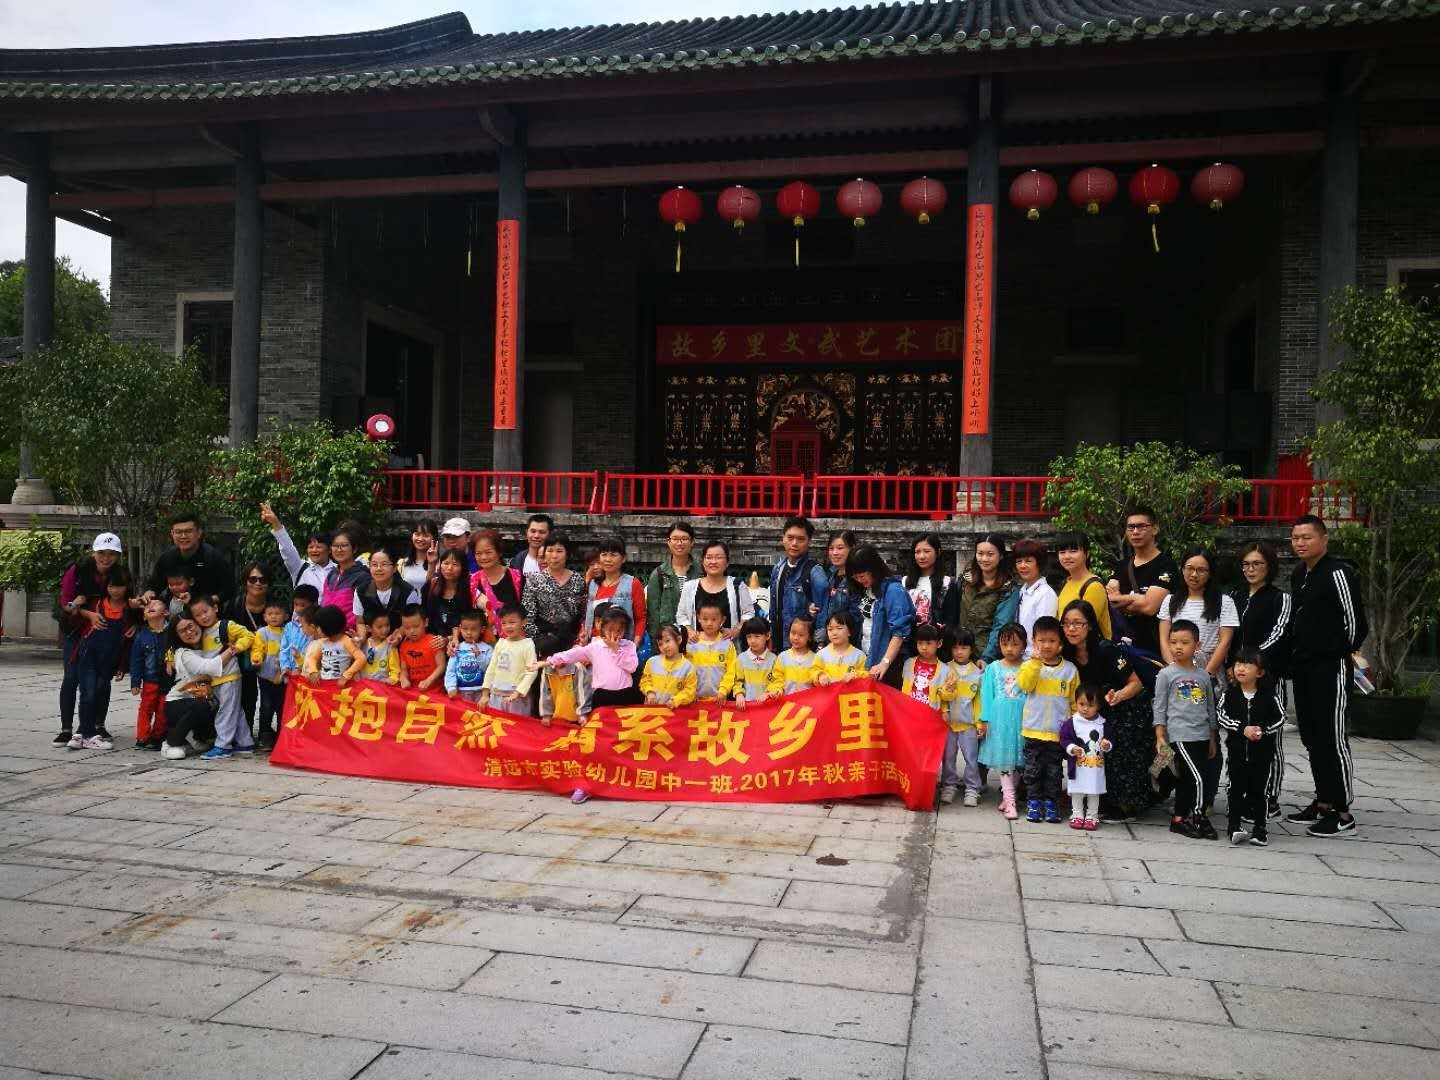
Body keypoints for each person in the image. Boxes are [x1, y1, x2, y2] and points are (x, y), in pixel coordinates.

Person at [1284, 514, 1367, 837]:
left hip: (1331, 667)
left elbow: (1355, 624)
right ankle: (1323, 801)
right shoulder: (1299, 574)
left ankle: (1343, 812)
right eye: (1295, 538)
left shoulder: (1338, 573)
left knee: (1332, 737)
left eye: (1307, 537)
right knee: (1312, 736)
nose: (1300, 543)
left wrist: (1337, 652)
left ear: (1324, 539)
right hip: (1303, 667)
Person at [1060, 600, 1151, 823]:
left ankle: (1127, 805)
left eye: (1078, 623)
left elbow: (1135, 683)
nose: (1071, 629)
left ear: (1090, 625)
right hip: (1093, 711)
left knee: (1118, 749)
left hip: (1125, 709)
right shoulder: (1067, 654)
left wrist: (1118, 695)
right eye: (1066, 623)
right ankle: (1098, 796)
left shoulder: (1107, 649)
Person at [1234, 539, 1291, 819]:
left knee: (1268, 737)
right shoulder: (1235, 597)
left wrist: (1251, 662)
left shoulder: (1280, 598)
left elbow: (1278, 634)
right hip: (1237, 680)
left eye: (1257, 563)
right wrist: (1234, 666)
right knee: (1240, 736)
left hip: (1267, 679)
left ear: (1269, 566)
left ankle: (1269, 797)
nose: (1251, 569)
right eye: (1246, 564)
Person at [54, 532, 125, 745]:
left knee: (103, 679)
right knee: (71, 677)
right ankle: (66, 729)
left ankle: (98, 725)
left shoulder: (120, 574)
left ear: (118, 556)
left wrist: (131, 625)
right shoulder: (77, 570)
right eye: (102, 553)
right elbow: (65, 604)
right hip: (75, 630)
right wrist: (86, 613)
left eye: (112, 553)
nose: (106, 558)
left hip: (103, 632)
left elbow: (126, 600)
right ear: (93, 552)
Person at [1154, 620, 1220, 841]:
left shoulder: (1203, 676)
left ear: (1197, 646)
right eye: (1173, 642)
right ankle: (1200, 818)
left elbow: (1210, 707)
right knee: (1198, 779)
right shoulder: (1166, 674)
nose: (1178, 647)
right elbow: (1159, 706)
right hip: (1179, 735)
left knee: (1188, 780)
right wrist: (1160, 736)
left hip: (1202, 735)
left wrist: (1212, 736)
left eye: (1184, 642)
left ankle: (1179, 819)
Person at [1219, 647, 1285, 847]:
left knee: (1260, 792)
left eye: (1248, 665)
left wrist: (1263, 730)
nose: (1241, 668)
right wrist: (1242, 728)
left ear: (1260, 672)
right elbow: (1222, 716)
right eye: (1238, 664)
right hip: (1237, 753)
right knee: (1235, 789)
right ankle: (1234, 826)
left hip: (1262, 755)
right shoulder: (1229, 695)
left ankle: (1260, 828)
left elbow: (1280, 718)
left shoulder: (1269, 696)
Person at [1017, 615, 1078, 824]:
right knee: (1032, 770)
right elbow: (1025, 685)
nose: (1046, 645)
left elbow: (1074, 702)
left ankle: (1051, 802)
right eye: (1041, 641)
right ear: (1034, 642)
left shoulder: (1069, 670)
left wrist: (1073, 726)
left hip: (1057, 732)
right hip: (1033, 730)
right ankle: (1033, 802)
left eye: (1052, 641)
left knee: (1054, 771)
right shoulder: (1029, 666)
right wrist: (1035, 664)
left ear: (1060, 643)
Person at [69, 565, 137, 750]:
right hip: (88, 655)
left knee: (99, 691)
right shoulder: (96, 604)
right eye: (111, 586)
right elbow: (73, 615)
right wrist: (80, 609)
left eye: (120, 586)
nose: (115, 590)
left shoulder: (130, 610)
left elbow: (128, 643)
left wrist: (123, 666)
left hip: (109, 660)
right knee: (88, 693)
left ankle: (81, 733)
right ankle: (88, 735)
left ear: (127, 586)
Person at [1105, 506, 1178, 661]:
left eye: (1141, 526)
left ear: (1155, 529)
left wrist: (1123, 601)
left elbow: (1149, 607)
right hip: (1123, 649)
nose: (1135, 532)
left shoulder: (1166, 565)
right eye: (1131, 527)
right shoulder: (1121, 566)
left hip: (1155, 650)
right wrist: (1137, 598)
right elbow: (1111, 600)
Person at [187, 594, 254, 760]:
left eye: (205, 611)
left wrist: (237, 648)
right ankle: (245, 743)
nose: (203, 617)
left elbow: (249, 636)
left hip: (229, 677)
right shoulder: (200, 632)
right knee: (233, 710)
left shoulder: (226, 626)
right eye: (198, 615)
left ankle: (223, 746)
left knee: (225, 711)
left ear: (215, 608)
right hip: (215, 679)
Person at [1158, 548, 1239, 678]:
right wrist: (1174, 669)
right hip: (1175, 673)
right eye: (1190, 568)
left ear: (1210, 573)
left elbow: (1225, 643)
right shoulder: (1170, 600)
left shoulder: (1224, 602)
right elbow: (1164, 639)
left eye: (1201, 570)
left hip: (1209, 672)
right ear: (1182, 570)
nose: (1194, 574)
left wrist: (1205, 675)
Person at [541, 607, 643, 709]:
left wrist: (616, 650)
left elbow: (632, 667)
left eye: (619, 630)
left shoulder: (629, 645)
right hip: (602, 695)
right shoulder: (595, 647)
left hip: (625, 693)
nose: (615, 634)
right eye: (610, 630)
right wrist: (550, 661)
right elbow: (572, 654)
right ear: (603, 629)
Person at [844, 544, 915, 682]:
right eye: (855, 577)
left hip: (888, 664)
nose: (859, 580)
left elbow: (899, 633)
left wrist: (885, 662)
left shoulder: (894, 591)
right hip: (867, 658)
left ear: (874, 569)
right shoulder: (865, 589)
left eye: (862, 576)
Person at [979, 623, 1028, 820]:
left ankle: (1009, 796)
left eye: (1015, 644)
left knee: (1019, 760)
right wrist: (984, 720)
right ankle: (1010, 800)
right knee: (1004, 760)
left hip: (1023, 720)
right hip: (1000, 721)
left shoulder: (1028, 668)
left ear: (1024, 645)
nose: (1009, 649)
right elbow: (986, 695)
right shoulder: (993, 669)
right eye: (1005, 644)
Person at [159, 616, 225, 760]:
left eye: (190, 626)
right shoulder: (184, 654)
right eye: (182, 631)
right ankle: (171, 743)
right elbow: (211, 667)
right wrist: (231, 651)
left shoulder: (208, 643)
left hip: (202, 698)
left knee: (220, 703)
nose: (189, 632)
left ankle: (195, 738)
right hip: (177, 704)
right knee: (202, 705)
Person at [143, 512, 235, 606]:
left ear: (199, 533)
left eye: (188, 531)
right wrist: (149, 593)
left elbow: (230, 590)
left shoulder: (212, 557)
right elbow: (154, 585)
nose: (183, 536)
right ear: (172, 534)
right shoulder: (167, 557)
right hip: (174, 610)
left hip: (206, 610)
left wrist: (204, 602)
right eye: (178, 532)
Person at [768, 516, 830, 653]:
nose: (794, 543)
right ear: (783, 538)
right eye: (790, 538)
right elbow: (773, 608)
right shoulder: (778, 569)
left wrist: (820, 644)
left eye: (801, 539)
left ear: (809, 541)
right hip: (779, 642)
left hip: (804, 647)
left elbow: (822, 611)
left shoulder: (815, 572)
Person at [937, 628, 984, 806]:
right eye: (955, 647)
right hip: (948, 724)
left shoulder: (977, 673)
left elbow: (978, 701)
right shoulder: (945, 669)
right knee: (948, 757)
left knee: (971, 758)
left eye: (964, 648)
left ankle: (972, 788)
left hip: (969, 725)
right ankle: (949, 785)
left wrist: (979, 722)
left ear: (971, 649)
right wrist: (944, 710)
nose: (959, 652)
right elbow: (941, 695)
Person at [957, 533, 1019, 664]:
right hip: (959, 651)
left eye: (990, 554)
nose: (984, 559)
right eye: (980, 554)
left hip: (984, 655)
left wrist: (987, 657)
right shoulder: (965, 580)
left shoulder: (1007, 589)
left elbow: (1001, 626)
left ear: (1001, 555)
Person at [225, 561, 271, 736]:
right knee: (246, 694)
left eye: (262, 580)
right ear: (245, 582)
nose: (258, 583)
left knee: (271, 698)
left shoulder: (276, 606)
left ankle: (267, 733)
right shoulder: (233, 605)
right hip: (241, 657)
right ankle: (245, 733)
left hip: (270, 657)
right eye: (252, 579)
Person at [675, 541, 756, 639]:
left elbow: (749, 613)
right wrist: (689, 631)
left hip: (730, 645)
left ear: (727, 562)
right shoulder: (690, 587)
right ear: (702, 562)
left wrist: (736, 630)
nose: (713, 562)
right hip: (697, 646)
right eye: (709, 557)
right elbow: (681, 615)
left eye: (718, 557)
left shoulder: (737, 585)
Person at [523, 533, 587, 655]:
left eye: (559, 551)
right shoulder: (534, 579)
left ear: (567, 554)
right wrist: (537, 641)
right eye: (550, 551)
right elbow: (528, 615)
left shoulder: (578, 580)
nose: (554, 556)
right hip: (543, 640)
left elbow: (583, 612)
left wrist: (579, 637)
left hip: (572, 640)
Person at [1061, 684, 1112, 831]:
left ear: (1098, 706)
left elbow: (1110, 740)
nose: (1085, 709)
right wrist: (1072, 748)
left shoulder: (1102, 723)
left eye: (1090, 705)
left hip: (1095, 767)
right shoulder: (1072, 722)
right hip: (1077, 766)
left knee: (1094, 791)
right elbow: (1064, 738)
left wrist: (1107, 745)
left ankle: (1092, 816)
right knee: (1077, 791)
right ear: (1076, 702)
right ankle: (1077, 814)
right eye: (1081, 704)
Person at [582, 535, 646, 645]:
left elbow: (641, 618)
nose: (608, 559)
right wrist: (583, 634)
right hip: (594, 645)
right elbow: (588, 616)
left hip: (621, 646)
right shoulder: (593, 584)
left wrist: (634, 646)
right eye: (604, 554)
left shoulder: (632, 584)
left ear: (623, 558)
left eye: (613, 555)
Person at [259, 501, 333, 594]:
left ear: (329, 550)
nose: (314, 550)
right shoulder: (300, 567)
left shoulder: (339, 570)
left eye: (318, 547)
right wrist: (275, 523)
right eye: (311, 547)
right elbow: (287, 548)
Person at [129, 597, 171, 750]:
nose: (150, 606)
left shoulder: (172, 632)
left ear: (166, 612)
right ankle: (143, 736)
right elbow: (136, 660)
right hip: (150, 680)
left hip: (168, 679)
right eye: (147, 606)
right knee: (146, 708)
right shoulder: (141, 636)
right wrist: (135, 682)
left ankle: (157, 736)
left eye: (156, 604)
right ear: (144, 616)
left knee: (163, 709)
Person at [480, 605, 538, 715]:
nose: (508, 626)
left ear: (524, 622)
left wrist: (518, 692)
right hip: (496, 695)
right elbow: (491, 668)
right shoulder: (501, 643)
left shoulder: (528, 645)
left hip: (517, 698)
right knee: (497, 722)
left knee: (516, 724)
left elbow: (532, 671)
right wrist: (485, 694)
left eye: (512, 622)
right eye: (504, 623)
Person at [354, 547, 421, 642]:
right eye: (374, 564)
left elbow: (412, 621)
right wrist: (361, 637)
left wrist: (398, 635)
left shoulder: (408, 591)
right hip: (372, 643)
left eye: (384, 564)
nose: (378, 568)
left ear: (394, 568)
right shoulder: (360, 591)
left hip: (401, 642)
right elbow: (360, 622)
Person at [1054, 532, 1112, 641]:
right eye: (1062, 552)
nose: (1067, 556)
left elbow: (1085, 629)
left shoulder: (1093, 586)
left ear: (1087, 554)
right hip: (1068, 646)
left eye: (1073, 551)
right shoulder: (1067, 583)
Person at [250, 600, 290, 749]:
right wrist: (257, 659)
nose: (273, 617)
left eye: (277, 613)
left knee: (282, 708)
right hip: (266, 676)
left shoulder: (289, 631)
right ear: (265, 617)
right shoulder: (262, 632)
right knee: (266, 707)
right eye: (270, 614)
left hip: (285, 678)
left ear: (285, 616)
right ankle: (265, 735)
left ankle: (281, 736)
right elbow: (257, 649)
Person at [646, 522, 699, 633]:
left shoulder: (702, 571)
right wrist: (657, 640)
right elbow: (653, 614)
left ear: (692, 542)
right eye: (675, 539)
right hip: (669, 635)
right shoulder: (659, 574)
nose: (679, 543)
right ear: (668, 542)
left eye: (684, 539)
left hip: (697, 634)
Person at [687, 598, 739, 702]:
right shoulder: (692, 643)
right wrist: (690, 691)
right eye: (705, 619)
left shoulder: (727, 644)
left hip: (719, 700)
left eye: (714, 619)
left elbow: (731, 671)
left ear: (722, 620)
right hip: (695, 700)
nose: (709, 623)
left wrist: (724, 690)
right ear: (698, 618)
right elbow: (686, 671)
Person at [1012, 538, 1056, 658]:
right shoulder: (1022, 591)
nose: (1022, 565)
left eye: (1028, 561)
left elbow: (1045, 633)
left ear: (1039, 563)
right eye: (1019, 561)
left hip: (1035, 658)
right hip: (1018, 656)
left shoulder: (1045, 594)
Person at [320, 528, 371, 632]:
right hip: (327, 633)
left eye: (344, 545)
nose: (339, 550)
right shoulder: (332, 574)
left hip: (350, 634)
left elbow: (364, 612)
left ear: (354, 549)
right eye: (335, 546)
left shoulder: (362, 577)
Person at [302, 604, 365, 685]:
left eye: (319, 627)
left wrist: (346, 676)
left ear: (328, 626)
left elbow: (361, 659)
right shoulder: (323, 642)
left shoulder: (346, 642)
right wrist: (313, 671)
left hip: (339, 685)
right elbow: (312, 658)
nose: (317, 630)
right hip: (323, 684)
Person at [904, 533, 955, 629]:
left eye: (927, 551)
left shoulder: (947, 583)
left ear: (938, 552)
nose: (921, 556)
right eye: (917, 552)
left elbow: (951, 619)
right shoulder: (904, 582)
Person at [424, 550, 478, 640]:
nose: (449, 568)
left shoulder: (470, 589)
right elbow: (423, 614)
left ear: (463, 568)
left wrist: (449, 639)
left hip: (462, 643)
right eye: (446, 563)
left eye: (455, 564)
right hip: (432, 641)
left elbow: (475, 621)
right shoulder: (432, 585)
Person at [641, 624, 698, 707]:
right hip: (652, 710)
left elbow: (690, 691)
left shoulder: (688, 667)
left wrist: (676, 700)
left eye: (667, 641)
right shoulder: (652, 662)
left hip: (674, 711)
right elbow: (645, 680)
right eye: (660, 644)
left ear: (678, 639)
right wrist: (649, 692)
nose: (665, 646)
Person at [472, 528, 525, 614]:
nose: (483, 557)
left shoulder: (517, 577)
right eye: (478, 553)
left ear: (499, 552)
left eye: (488, 552)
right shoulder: (472, 581)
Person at [444, 611, 493, 701]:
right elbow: (450, 670)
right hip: (461, 692)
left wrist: (479, 656)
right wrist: (451, 687)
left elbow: (489, 670)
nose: (469, 632)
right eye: (465, 629)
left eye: (473, 629)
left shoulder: (487, 649)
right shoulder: (457, 648)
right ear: (460, 628)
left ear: (482, 629)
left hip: (482, 692)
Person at [397, 604, 447, 692]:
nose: (412, 631)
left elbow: (442, 666)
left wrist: (429, 680)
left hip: (435, 691)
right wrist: (403, 679)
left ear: (426, 622)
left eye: (416, 626)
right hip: (413, 691)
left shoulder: (434, 641)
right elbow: (404, 669)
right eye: (407, 628)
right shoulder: (404, 645)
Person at [769, 615, 821, 697]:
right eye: (793, 633)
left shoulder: (815, 658)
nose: (796, 638)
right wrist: (777, 690)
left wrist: (820, 677)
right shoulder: (783, 657)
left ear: (810, 637)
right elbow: (777, 678)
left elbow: (817, 682)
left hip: (808, 703)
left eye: (801, 635)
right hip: (787, 702)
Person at [278, 584, 319, 682]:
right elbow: (284, 649)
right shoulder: (289, 626)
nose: (298, 609)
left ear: (314, 604)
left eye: (303, 605)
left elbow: (313, 653)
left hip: (310, 676)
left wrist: (299, 667)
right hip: (291, 675)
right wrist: (285, 667)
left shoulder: (316, 628)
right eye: (296, 604)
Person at [734, 616, 777, 707]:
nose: (752, 641)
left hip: (768, 706)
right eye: (749, 637)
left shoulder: (774, 660)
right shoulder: (741, 659)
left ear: (767, 636)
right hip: (747, 707)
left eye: (757, 636)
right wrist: (739, 694)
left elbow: (777, 682)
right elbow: (737, 681)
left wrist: (768, 693)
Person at [816, 610, 869, 684]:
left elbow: (867, 675)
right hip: (828, 691)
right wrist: (820, 676)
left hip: (851, 691)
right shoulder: (821, 654)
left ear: (850, 631)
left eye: (839, 628)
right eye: (830, 629)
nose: (834, 633)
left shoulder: (859, 656)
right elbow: (813, 671)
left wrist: (856, 675)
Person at [822, 529, 859, 626]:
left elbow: (856, 617)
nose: (835, 553)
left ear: (852, 548)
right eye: (831, 548)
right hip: (827, 632)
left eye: (840, 548)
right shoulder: (828, 575)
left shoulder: (857, 579)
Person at [398, 518, 441, 595]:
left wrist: (431, 564)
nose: (420, 539)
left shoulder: (441, 565)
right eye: (417, 534)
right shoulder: (401, 564)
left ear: (434, 538)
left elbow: (433, 591)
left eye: (426, 535)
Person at [359, 612, 401, 684]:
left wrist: (392, 679)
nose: (385, 630)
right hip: (363, 684)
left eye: (387, 625)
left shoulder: (390, 645)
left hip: (382, 685)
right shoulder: (363, 643)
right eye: (379, 627)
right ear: (369, 628)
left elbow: (395, 670)